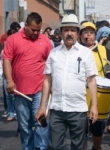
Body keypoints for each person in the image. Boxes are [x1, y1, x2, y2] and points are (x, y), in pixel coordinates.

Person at [36, 14, 99, 150]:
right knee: (54, 146)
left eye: (73, 30)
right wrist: (42, 106)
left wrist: (94, 106)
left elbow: (92, 80)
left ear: (77, 33)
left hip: (78, 109)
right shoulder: (54, 53)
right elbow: (47, 80)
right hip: (57, 108)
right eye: (66, 30)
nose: (69, 33)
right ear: (61, 32)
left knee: (78, 146)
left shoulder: (86, 53)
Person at [3, 12, 52, 150]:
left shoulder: (45, 41)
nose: (36, 33)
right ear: (26, 26)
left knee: (40, 123)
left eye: (39, 30)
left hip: (40, 89)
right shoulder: (13, 39)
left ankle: (41, 148)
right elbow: (6, 60)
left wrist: (51, 84)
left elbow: (51, 63)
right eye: (33, 30)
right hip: (19, 91)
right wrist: (9, 81)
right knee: (24, 126)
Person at [79, 21, 110, 150]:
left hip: (97, 94)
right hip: (80, 94)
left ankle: (97, 147)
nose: (88, 35)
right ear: (80, 35)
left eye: (91, 33)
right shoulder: (76, 50)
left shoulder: (103, 50)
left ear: (95, 35)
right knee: (81, 130)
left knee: (97, 129)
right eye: (85, 32)